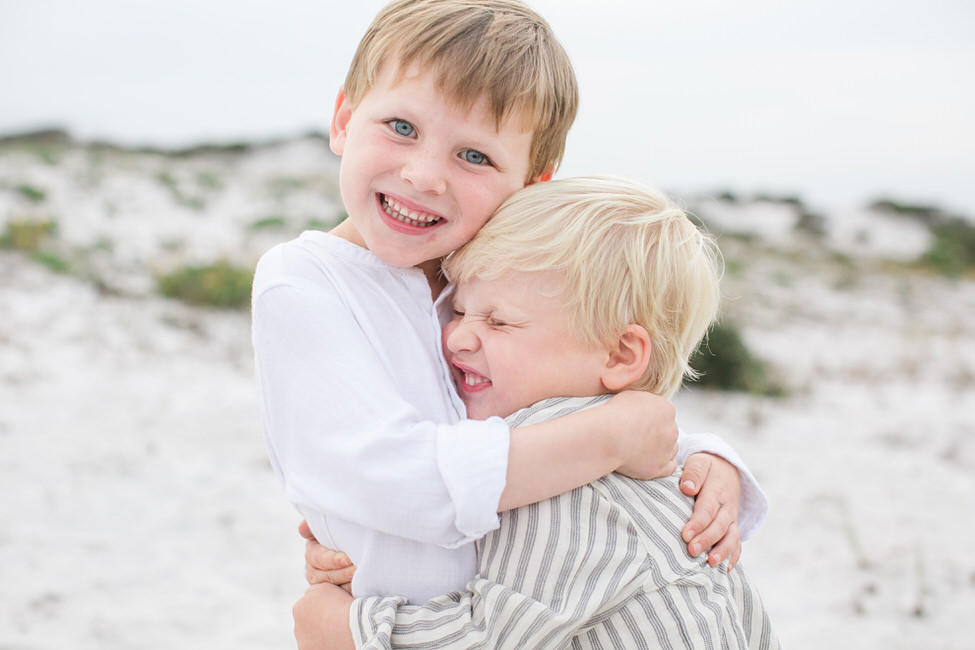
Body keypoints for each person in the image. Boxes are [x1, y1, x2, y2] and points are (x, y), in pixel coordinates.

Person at [252, 0, 766, 611]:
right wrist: (611, 436)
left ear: (530, 186)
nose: (423, 175)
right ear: (343, 118)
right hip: (411, 627)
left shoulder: (490, 283)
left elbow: (571, 400)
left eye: (474, 156)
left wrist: (702, 459)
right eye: (401, 126)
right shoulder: (303, 284)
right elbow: (398, 482)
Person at [292, 176, 779, 649]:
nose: (458, 336)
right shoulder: (615, 457)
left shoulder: (573, 491)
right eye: (458, 311)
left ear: (619, 356)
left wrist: (348, 631)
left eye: (498, 321)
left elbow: (490, 637)